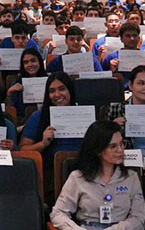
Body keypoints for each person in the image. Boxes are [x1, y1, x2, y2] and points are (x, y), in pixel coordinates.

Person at [50, 120, 145, 230]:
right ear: (98, 150)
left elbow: (139, 217)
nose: (120, 150)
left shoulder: (131, 177)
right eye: (113, 146)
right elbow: (58, 213)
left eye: (121, 144)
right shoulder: (77, 177)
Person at [20, 72, 85, 205]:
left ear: (70, 90)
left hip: (84, 172)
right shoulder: (38, 117)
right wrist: (43, 144)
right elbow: (22, 150)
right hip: (51, 176)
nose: (57, 95)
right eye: (52, 91)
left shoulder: (85, 114)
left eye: (62, 89)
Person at [6, 48, 48, 119]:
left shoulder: (49, 81)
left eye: (33, 61)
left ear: (40, 62)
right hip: (23, 122)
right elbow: (11, 113)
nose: (30, 64)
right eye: (26, 62)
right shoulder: (16, 83)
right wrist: (9, 93)